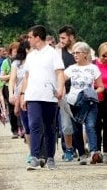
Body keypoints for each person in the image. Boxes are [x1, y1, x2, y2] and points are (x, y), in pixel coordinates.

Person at [20, 25, 65, 170]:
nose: (28, 40)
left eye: (30, 37)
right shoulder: (31, 56)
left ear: (37, 37)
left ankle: (50, 157)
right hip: (33, 96)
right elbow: (26, 77)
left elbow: (59, 73)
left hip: (49, 96)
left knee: (49, 127)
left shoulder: (52, 53)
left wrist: (60, 89)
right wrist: (22, 95)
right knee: (34, 125)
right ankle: (34, 156)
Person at [64, 42, 104, 165]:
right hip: (74, 102)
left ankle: (93, 152)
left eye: (78, 53)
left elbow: (101, 87)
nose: (75, 55)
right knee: (76, 129)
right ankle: (81, 154)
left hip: (89, 103)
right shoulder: (71, 68)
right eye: (74, 53)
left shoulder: (93, 68)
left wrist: (92, 92)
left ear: (85, 54)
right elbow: (60, 79)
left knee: (90, 125)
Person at [57, 25, 79, 161]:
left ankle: (81, 148)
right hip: (65, 91)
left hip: (80, 92)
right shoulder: (59, 52)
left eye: (63, 38)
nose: (61, 40)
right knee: (66, 124)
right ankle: (69, 149)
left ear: (71, 37)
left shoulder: (83, 50)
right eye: (60, 38)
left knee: (80, 123)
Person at [9, 41, 32, 162]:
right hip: (20, 96)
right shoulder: (16, 64)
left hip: (34, 95)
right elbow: (12, 80)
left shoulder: (36, 62)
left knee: (36, 124)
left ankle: (39, 150)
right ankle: (31, 151)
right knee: (27, 125)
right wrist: (11, 94)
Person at [0, 41, 22, 139]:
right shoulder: (6, 62)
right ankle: (14, 129)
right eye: (14, 51)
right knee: (12, 109)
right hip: (9, 87)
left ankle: (22, 128)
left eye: (18, 51)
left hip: (21, 87)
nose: (16, 53)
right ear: (10, 52)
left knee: (22, 107)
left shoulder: (23, 61)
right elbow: (2, 77)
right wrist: (13, 75)